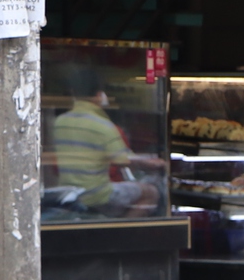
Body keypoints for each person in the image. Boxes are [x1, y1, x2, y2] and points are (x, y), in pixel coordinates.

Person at [49, 69, 161, 217]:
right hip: (97, 195)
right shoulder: (103, 126)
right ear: (98, 96)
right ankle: (123, 234)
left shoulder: (60, 122)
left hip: (67, 191)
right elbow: (125, 160)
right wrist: (156, 163)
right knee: (151, 193)